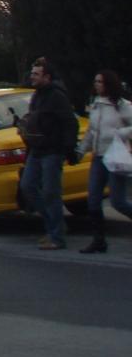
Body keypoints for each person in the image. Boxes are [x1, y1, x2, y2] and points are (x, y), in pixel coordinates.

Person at [18, 57, 79, 250]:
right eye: (32, 73)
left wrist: (68, 148)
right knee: (28, 186)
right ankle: (54, 224)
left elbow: (70, 122)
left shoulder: (56, 96)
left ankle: (56, 236)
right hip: (36, 149)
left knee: (51, 193)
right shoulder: (37, 95)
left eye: (36, 74)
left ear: (47, 77)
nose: (32, 77)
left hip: (52, 150)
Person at [77, 69, 132, 253]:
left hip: (115, 157)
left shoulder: (121, 105)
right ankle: (99, 240)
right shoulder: (96, 104)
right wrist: (81, 150)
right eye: (95, 81)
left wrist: (121, 133)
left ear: (109, 84)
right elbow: (92, 131)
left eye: (100, 82)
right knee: (93, 200)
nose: (96, 85)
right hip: (98, 157)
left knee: (118, 202)